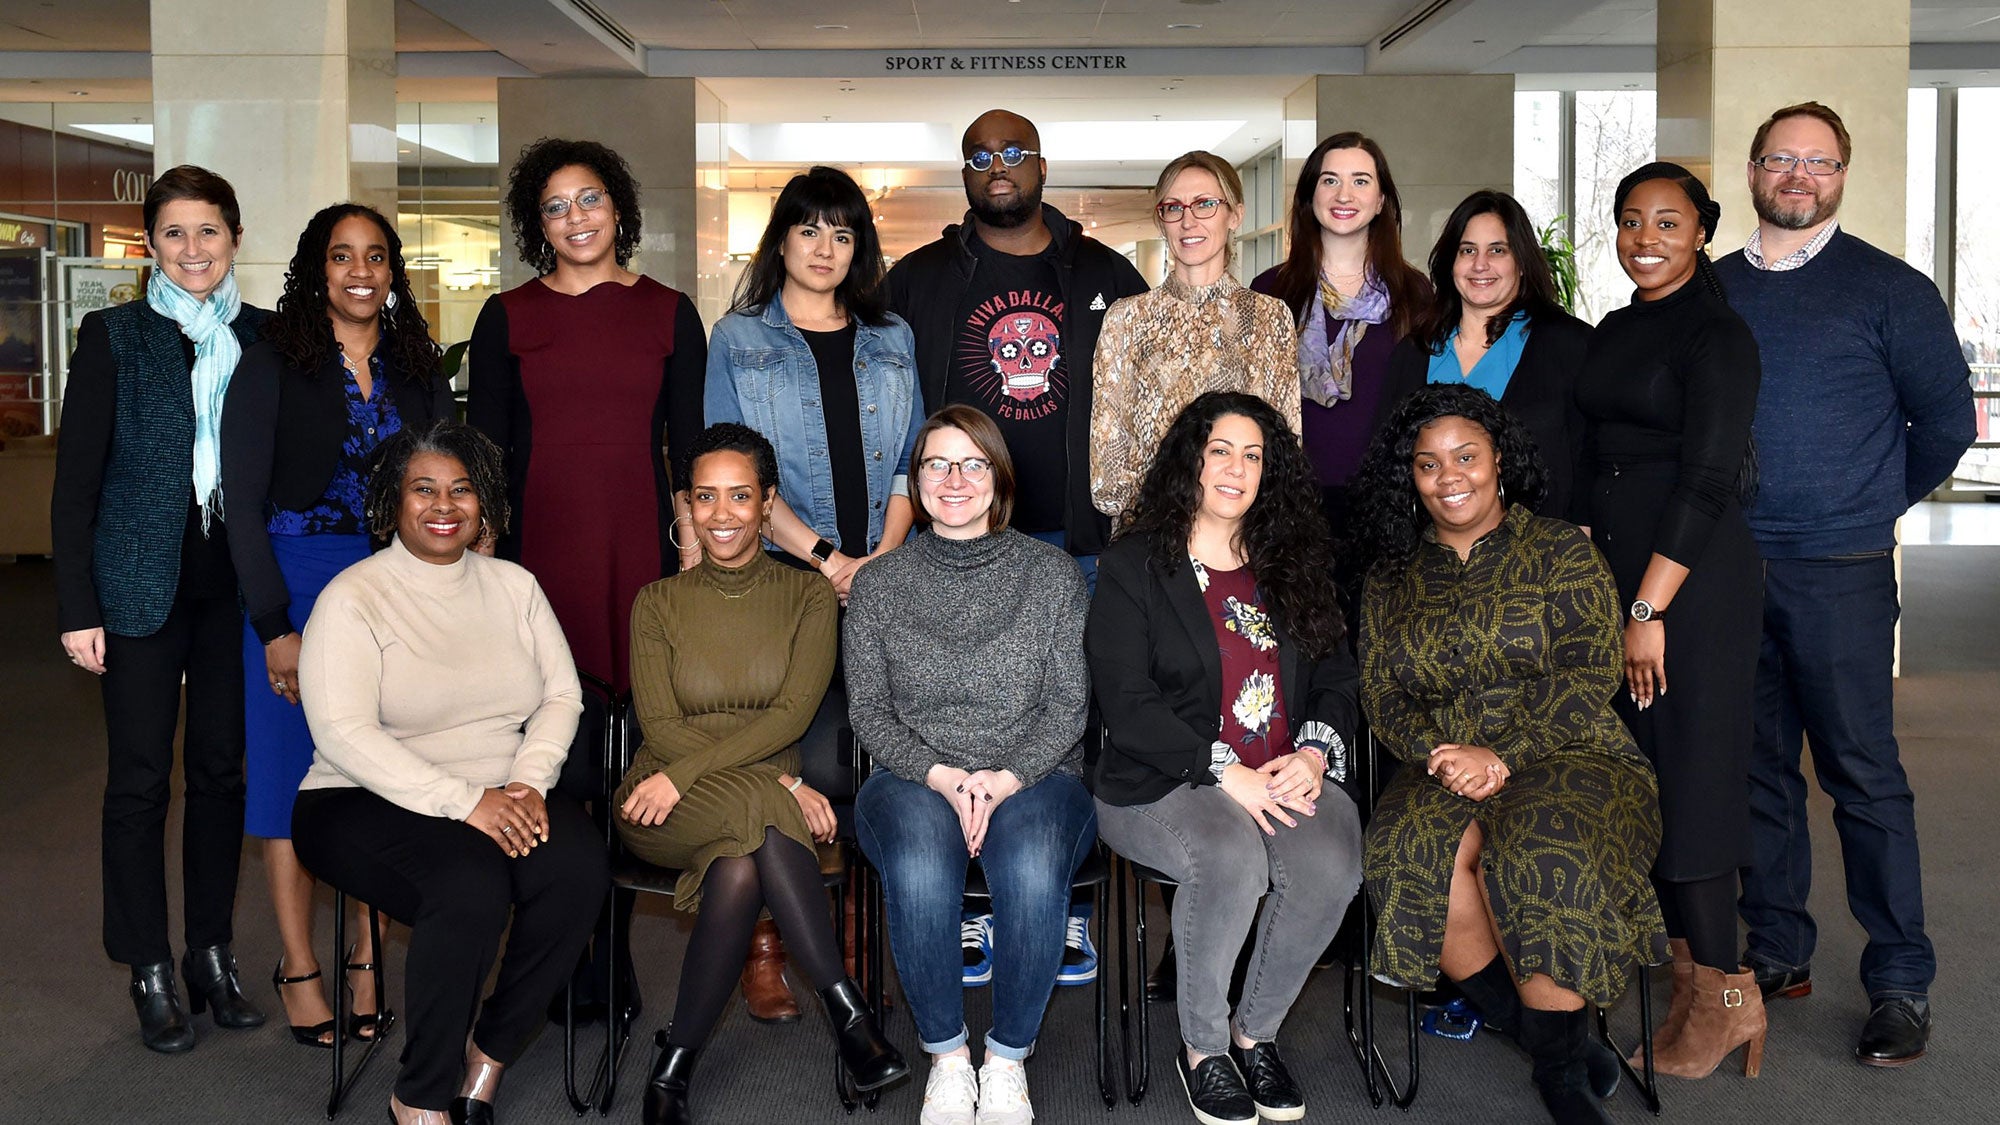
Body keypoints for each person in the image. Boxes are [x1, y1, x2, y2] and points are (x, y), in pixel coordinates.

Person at [1715, 101, 1975, 1067]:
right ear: (1751, 170)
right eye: (1781, 158)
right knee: (1760, 770)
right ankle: (1779, 947)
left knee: (1864, 776)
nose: (1798, 176)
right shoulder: (1713, 289)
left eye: (1818, 163)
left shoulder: (1891, 290)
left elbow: (1946, 425)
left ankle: (1901, 978)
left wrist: (1867, 506)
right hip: (1733, 571)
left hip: (1842, 572)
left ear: (1842, 176)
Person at [1349, 386, 1668, 1125]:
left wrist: (1504, 752)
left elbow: (1591, 668)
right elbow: (1381, 693)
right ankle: (1551, 1042)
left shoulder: (1559, 548)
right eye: (1428, 464)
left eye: (1466, 456)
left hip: (1571, 747)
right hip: (1446, 760)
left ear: (1499, 462)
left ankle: (1558, 1071)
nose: (1449, 476)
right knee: (1405, 850)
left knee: (1540, 849)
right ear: (1411, 478)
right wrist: (1439, 752)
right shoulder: (1390, 577)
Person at [884, 107, 1143, 988]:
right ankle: (964, 907)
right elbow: (883, 407)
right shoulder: (916, 280)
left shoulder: (1107, 274)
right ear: (964, 174)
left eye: (1013, 153)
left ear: (1042, 164)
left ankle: (1060, 909)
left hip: (1079, 545)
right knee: (949, 712)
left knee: (1065, 724)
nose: (998, 167)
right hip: (954, 536)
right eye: (979, 156)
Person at [292, 420, 606, 1125]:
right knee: (469, 885)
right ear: (392, 500)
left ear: (484, 501)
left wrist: (526, 782)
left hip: (502, 790)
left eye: (462, 489)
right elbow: (342, 732)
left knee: (579, 867)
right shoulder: (353, 596)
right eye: (423, 488)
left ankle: (487, 1054)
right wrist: (468, 801)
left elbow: (562, 694)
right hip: (357, 795)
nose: (444, 504)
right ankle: (421, 1092)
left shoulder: (514, 586)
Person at [468, 136, 706, 1026]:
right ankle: (577, 955)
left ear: (620, 211)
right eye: (556, 206)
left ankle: (612, 956)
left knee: (629, 750)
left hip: (637, 555)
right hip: (541, 562)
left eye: (590, 200)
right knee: (555, 760)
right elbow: (485, 456)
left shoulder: (670, 312)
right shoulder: (507, 316)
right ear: (538, 225)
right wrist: (486, 564)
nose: (576, 218)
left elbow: (688, 442)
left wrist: (686, 539)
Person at [616, 424, 907, 1125]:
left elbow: (791, 715)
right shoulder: (656, 603)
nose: (721, 514)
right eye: (706, 497)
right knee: (764, 815)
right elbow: (661, 728)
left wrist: (767, 778)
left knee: (742, 868)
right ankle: (850, 1016)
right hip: (663, 797)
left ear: (767, 501)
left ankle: (674, 1064)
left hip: (723, 791)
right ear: (687, 503)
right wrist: (780, 783)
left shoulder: (809, 598)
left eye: (740, 496)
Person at [1087, 392, 1362, 1125]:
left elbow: (1337, 673)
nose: (1235, 468)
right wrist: (1221, 769)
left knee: (1333, 857)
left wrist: (1312, 750)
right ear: (1192, 461)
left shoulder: (1293, 561)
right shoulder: (1135, 563)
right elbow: (1125, 700)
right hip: (1161, 778)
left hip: (1278, 770)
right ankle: (1205, 1048)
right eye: (1220, 450)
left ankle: (1256, 1033)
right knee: (1232, 855)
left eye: (1253, 455)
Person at [220, 202, 456, 1049]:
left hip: (396, 591)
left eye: (377, 256)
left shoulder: (416, 364)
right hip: (294, 586)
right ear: (317, 269)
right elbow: (241, 506)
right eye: (342, 256)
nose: (361, 270)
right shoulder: (273, 361)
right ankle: (298, 964)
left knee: (378, 775)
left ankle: (363, 954)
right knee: (288, 777)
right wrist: (274, 625)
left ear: (393, 270)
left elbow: (447, 489)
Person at [52, 165, 270, 1053]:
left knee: (222, 773)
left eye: (208, 232)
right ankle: (146, 962)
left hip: (231, 591)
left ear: (234, 237)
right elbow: (75, 487)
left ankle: (209, 951)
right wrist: (77, 606)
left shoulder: (262, 337)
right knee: (140, 780)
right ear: (150, 245)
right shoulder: (114, 335)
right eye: (174, 234)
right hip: (136, 588)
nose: (192, 250)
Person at [703, 165, 924, 1019]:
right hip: (779, 576)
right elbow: (733, 466)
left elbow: (913, 453)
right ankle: (765, 942)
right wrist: (828, 555)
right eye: (809, 230)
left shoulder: (892, 335)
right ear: (782, 241)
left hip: (886, 573)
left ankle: (856, 933)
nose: (825, 248)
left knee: (870, 749)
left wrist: (883, 557)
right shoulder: (738, 339)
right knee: (782, 748)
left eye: (842, 233)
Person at [847, 405, 1096, 1125]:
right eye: (936, 464)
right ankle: (949, 1059)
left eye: (972, 463)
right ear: (916, 481)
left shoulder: (1051, 574)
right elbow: (870, 713)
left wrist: (1003, 778)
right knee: (923, 860)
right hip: (914, 778)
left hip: (1038, 775)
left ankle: (1008, 1057)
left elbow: (1068, 706)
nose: (954, 479)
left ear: (998, 477)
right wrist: (947, 777)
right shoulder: (879, 585)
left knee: (1028, 862)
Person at [1574, 163, 1765, 1081]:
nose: (1646, 238)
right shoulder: (1617, 327)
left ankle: (1726, 994)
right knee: (1643, 775)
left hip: (1689, 586)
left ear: (1702, 230)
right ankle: (1689, 974)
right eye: (1630, 221)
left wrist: (1648, 607)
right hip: (1622, 581)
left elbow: (1707, 479)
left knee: (1691, 779)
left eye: (1668, 222)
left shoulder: (1719, 335)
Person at [1089, 152, 1300, 525]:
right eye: (1173, 207)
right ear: (1161, 219)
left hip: (1244, 536)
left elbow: (1283, 446)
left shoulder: (1270, 318)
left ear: (1235, 214)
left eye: (1205, 204)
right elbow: (1108, 463)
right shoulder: (1126, 318)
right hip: (1149, 535)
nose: (1188, 221)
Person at [1378, 189, 1591, 520]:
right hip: (1429, 556)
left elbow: (1590, 453)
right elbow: (1386, 464)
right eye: (1467, 250)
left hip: (1539, 553)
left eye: (1497, 250)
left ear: (1521, 262)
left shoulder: (1570, 344)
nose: (1480, 265)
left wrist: (1580, 534)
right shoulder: (1413, 352)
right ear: (1451, 262)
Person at [1251, 132, 1429, 515]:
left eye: (1360, 181)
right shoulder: (1270, 289)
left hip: (1389, 499)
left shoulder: (1414, 293)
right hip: (1288, 499)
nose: (1343, 195)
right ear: (1309, 196)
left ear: (1381, 200)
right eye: (1330, 180)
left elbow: (1421, 399)